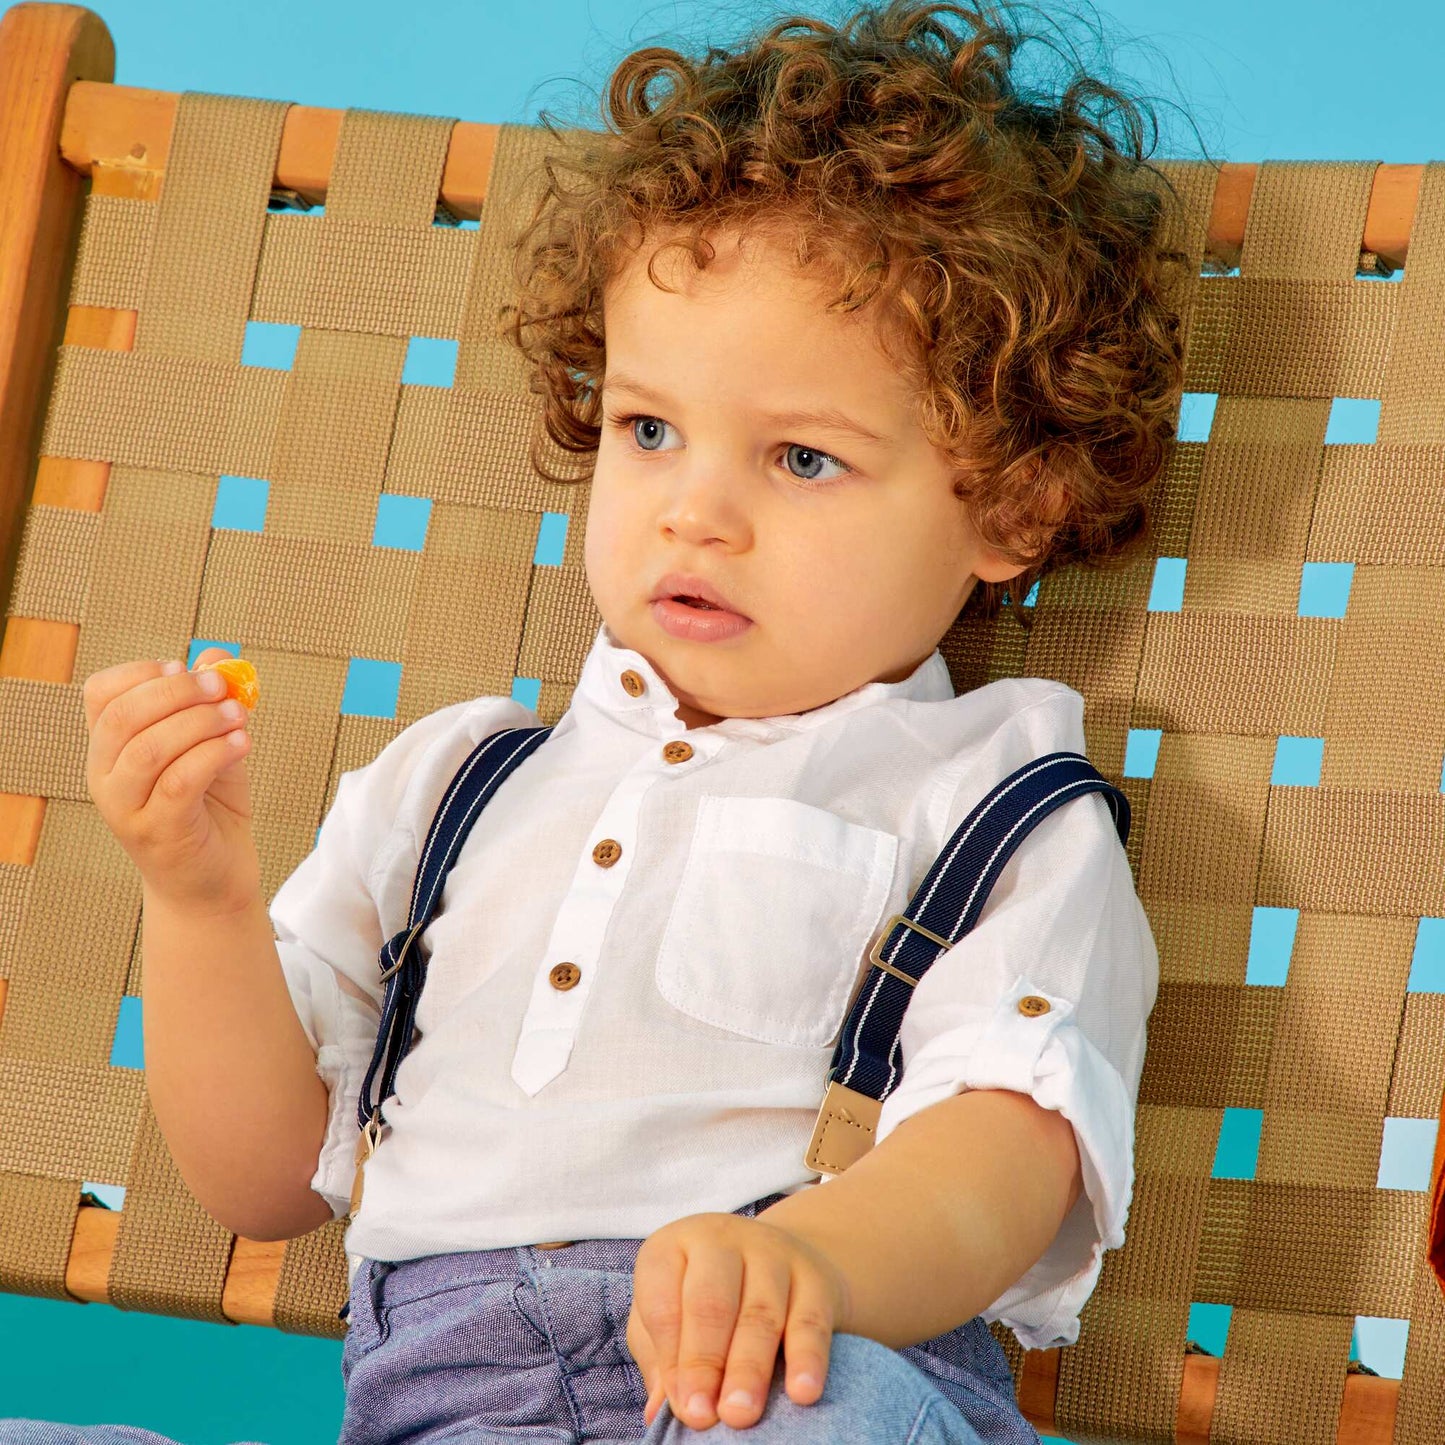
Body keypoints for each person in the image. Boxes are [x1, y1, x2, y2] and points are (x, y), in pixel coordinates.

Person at [6, 1, 1190, 1440]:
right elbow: (258, 1182)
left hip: (784, 1382)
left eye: (802, 457)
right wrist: (194, 893)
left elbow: (1010, 1150)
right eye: (647, 430)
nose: (694, 507)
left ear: (1012, 503)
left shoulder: (995, 805)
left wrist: (806, 1259)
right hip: (432, 1407)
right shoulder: (458, 780)